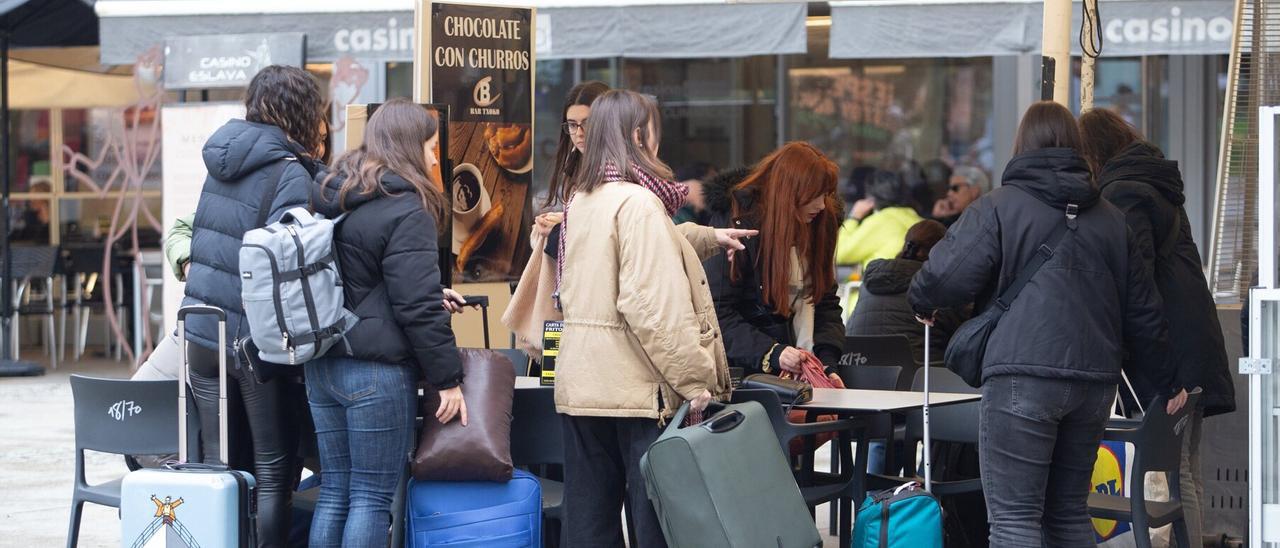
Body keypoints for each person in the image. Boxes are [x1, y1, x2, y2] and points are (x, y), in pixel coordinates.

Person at [908, 101, 1186, 546]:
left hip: (1022, 377)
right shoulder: (1113, 220)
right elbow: (1144, 312)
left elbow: (942, 278)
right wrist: (1167, 384)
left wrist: (924, 301)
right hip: (1095, 384)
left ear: (1023, 146)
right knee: (1070, 514)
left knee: (1015, 518)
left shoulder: (997, 208)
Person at [553, 90, 746, 547]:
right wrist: (696, 380)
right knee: (655, 525)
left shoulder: (584, 196)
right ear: (639, 135)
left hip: (583, 384)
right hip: (636, 389)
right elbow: (650, 307)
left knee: (589, 522)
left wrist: (705, 236)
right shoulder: (639, 204)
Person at [308, 98, 466, 547]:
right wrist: (448, 378)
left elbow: (363, 279)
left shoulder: (334, 193)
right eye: (433, 147)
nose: (437, 157)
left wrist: (429, 294)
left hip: (322, 361)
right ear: (410, 146)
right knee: (371, 498)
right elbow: (414, 307)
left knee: (335, 491)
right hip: (375, 373)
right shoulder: (406, 207)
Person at [182, 65, 325, 548]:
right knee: (272, 472)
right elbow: (286, 262)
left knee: (224, 468)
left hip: (203, 334)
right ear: (301, 112)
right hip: (253, 342)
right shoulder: (287, 171)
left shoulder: (222, 160)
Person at [1080, 107, 1235, 545]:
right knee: (1184, 468)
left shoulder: (1124, 193)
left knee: (1162, 475)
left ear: (1091, 154)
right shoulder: (1156, 186)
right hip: (1192, 342)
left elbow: (1136, 285)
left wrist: (1160, 375)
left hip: (1165, 350)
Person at [701, 143, 846, 384]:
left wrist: (827, 363)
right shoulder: (737, 224)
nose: (821, 205)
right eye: (815, 195)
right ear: (789, 192)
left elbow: (825, 303)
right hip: (748, 379)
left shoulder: (821, 225)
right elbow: (716, 312)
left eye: (826, 195)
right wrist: (772, 353)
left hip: (808, 377)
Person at [846, 219, 962, 365]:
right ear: (942, 252)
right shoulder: (940, 286)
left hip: (856, 372)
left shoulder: (870, 282)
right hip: (918, 379)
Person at [534, 80, 611, 239]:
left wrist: (559, 231)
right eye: (572, 125)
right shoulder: (574, 163)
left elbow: (607, 234)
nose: (579, 133)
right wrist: (563, 220)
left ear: (607, 122)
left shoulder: (621, 171)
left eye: (587, 123)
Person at [834, 169, 923, 271]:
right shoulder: (916, 218)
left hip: (884, 283)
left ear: (870, 199)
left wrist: (853, 217)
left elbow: (840, 253)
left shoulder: (879, 221)